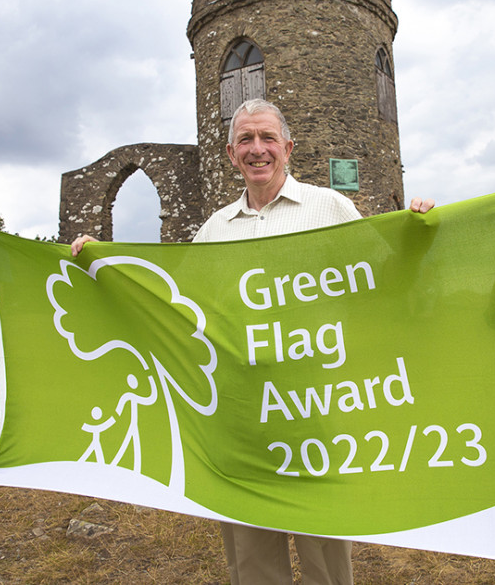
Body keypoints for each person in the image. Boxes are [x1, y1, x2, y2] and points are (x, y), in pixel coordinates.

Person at [72, 98, 433, 585]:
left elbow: (384, 279)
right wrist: (102, 264)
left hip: (316, 410)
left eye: (267, 138)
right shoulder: (214, 230)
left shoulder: (331, 209)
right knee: (252, 559)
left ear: (288, 147)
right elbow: (178, 306)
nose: (257, 149)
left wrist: (420, 231)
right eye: (246, 139)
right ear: (230, 152)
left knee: (326, 553)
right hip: (240, 415)